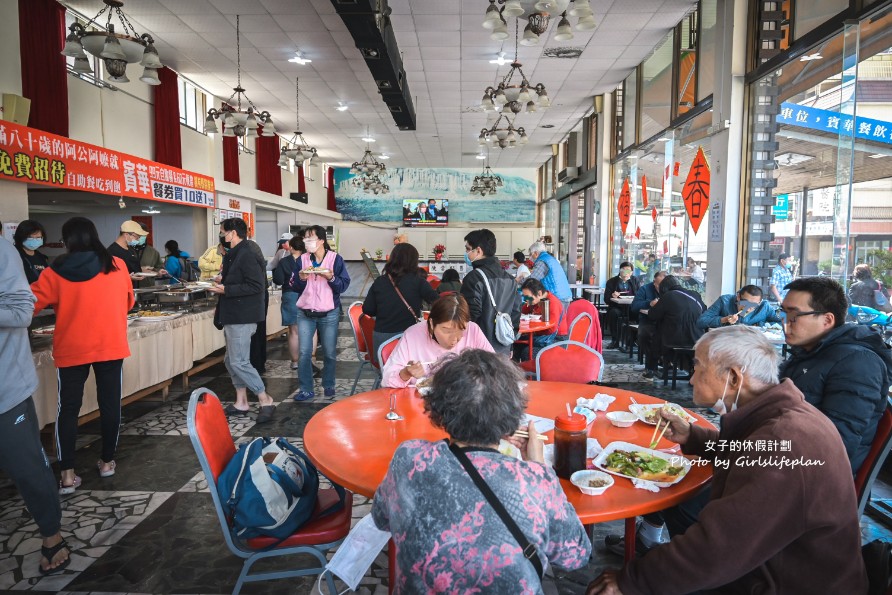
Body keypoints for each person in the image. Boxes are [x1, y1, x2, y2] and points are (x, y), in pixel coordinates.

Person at [587, 326, 867, 595]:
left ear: (733, 377)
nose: (692, 378)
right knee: (682, 504)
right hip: (770, 560)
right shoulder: (780, 414)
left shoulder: (786, 442)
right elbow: (746, 451)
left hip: (784, 582)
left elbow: (718, 549)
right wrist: (693, 436)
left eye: (698, 367)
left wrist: (632, 580)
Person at [373, 349, 592, 593]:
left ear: (439, 409)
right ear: (511, 418)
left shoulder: (410, 458)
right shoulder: (534, 479)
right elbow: (576, 555)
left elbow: (381, 518)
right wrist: (539, 466)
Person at [31, 217, 135, 493]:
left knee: (68, 409)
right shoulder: (116, 264)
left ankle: (67, 475)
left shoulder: (55, 271)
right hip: (110, 345)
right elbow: (129, 301)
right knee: (111, 404)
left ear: (67, 241)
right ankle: (107, 462)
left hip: (72, 348)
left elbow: (29, 304)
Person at [0, 236, 70, 575]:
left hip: (5, 389)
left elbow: (22, 310)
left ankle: (51, 533)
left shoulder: (2, 250)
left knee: (27, 467)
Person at [780, 276, 892, 473]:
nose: (785, 323)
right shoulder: (808, 352)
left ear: (827, 320)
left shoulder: (858, 363)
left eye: (794, 316)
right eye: (783, 313)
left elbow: (834, 445)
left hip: (814, 480)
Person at [206, 218, 276, 423]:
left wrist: (226, 289)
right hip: (232, 313)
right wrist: (223, 281)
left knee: (239, 361)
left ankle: (265, 398)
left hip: (242, 315)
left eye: (223, 232)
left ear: (233, 233)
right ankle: (241, 401)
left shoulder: (246, 253)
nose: (222, 236)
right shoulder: (235, 253)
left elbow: (256, 285)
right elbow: (241, 279)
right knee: (231, 360)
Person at [381, 294, 494, 388]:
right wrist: (406, 373)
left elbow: (494, 368)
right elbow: (387, 379)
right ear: (431, 323)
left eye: (461, 330)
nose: (455, 338)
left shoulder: (473, 330)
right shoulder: (412, 335)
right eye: (447, 331)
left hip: (464, 403)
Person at [290, 225, 350, 401]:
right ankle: (306, 389)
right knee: (304, 352)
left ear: (322, 241)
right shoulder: (302, 260)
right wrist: (301, 279)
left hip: (329, 312)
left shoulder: (335, 259)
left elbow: (343, 285)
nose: (307, 242)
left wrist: (330, 277)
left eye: (311, 239)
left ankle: (329, 384)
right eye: (305, 239)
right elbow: (294, 285)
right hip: (305, 311)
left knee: (330, 352)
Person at [363, 242, 439, 361]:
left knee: (385, 373)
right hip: (409, 337)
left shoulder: (379, 281)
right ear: (414, 261)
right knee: (411, 373)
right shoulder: (419, 282)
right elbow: (438, 302)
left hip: (383, 339)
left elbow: (368, 309)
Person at [460, 229, 521, 355]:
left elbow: (469, 316)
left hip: (479, 349)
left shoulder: (474, 278)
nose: (466, 253)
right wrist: (509, 341)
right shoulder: (510, 279)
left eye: (468, 249)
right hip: (503, 346)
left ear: (478, 251)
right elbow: (515, 313)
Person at [644, 275, 706, 379]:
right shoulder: (695, 294)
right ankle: (692, 370)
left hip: (674, 340)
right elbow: (704, 311)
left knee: (654, 332)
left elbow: (652, 315)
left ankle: (651, 368)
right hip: (697, 338)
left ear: (664, 288)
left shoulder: (668, 296)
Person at [273, 236, 305, 370]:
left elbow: (278, 280)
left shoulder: (284, 261)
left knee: (294, 331)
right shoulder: (309, 260)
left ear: (291, 247)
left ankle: (295, 361)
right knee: (310, 330)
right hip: (307, 296)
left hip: (290, 296)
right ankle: (310, 359)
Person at [514, 277, 566, 360]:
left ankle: (530, 372)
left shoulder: (553, 303)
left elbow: (551, 329)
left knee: (526, 352)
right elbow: (523, 312)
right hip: (541, 336)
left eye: (528, 297)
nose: (526, 299)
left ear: (539, 293)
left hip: (557, 340)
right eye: (524, 297)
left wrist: (533, 331)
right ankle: (514, 371)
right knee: (515, 343)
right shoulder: (535, 301)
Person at [697, 285, 783, 329]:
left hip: (752, 346)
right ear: (738, 297)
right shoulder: (724, 301)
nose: (748, 308)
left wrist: (760, 325)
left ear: (759, 302)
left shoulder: (764, 307)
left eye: (753, 305)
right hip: (725, 345)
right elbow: (701, 322)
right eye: (745, 302)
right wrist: (724, 320)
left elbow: (783, 322)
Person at [630, 270, 667, 372]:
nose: (659, 287)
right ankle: (652, 364)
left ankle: (661, 360)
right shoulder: (645, 289)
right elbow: (634, 307)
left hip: (666, 322)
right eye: (657, 284)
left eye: (661, 285)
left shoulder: (670, 291)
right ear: (654, 281)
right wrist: (649, 303)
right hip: (648, 320)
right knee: (644, 335)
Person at [603, 261, 640, 349]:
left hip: (631, 307)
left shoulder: (635, 280)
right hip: (617, 307)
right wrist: (612, 295)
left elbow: (639, 295)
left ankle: (632, 340)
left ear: (631, 272)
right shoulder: (611, 281)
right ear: (620, 270)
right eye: (624, 269)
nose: (625, 272)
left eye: (628, 270)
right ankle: (615, 340)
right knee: (613, 313)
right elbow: (606, 299)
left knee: (639, 314)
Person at [528, 241, 572, 312]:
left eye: (530, 254)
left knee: (555, 321)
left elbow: (532, 280)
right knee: (560, 320)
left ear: (536, 253)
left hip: (558, 297)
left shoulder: (542, 261)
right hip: (563, 295)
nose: (530, 257)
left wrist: (518, 281)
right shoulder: (549, 258)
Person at [13, 219, 50, 284]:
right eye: (30, 237)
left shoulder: (41, 257)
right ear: (21, 237)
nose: (35, 240)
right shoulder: (13, 255)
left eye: (38, 237)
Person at [132, 223, 165, 288]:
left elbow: (159, 268)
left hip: (147, 290)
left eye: (143, 235)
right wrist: (140, 269)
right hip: (129, 289)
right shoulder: (125, 250)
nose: (140, 237)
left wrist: (159, 272)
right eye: (138, 234)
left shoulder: (153, 252)